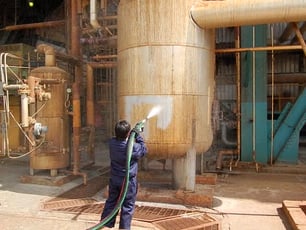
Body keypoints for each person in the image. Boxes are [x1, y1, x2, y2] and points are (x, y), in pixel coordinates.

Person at [100, 119, 148, 229]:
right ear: (127, 133)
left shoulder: (112, 143)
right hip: (128, 182)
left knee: (111, 202)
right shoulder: (133, 148)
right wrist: (137, 135)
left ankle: (104, 225)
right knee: (128, 206)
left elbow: (121, 139)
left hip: (114, 179)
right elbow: (144, 149)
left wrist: (131, 134)